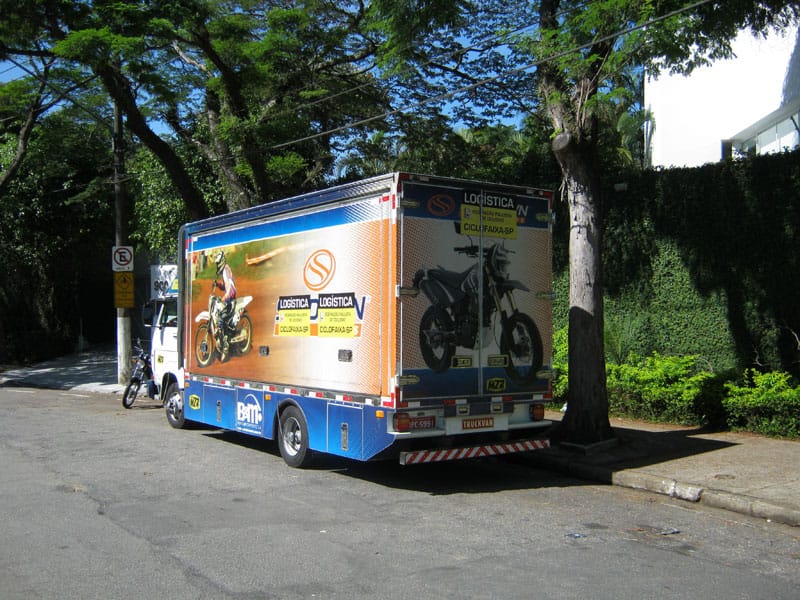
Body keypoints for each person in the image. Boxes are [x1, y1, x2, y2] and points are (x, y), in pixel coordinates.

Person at [213, 251, 237, 360]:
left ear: (222, 261)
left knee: (221, 317)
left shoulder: (226, 271)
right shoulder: (224, 270)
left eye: (218, 263)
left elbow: (231, 289)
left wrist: (224, 298)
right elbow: (225, 286)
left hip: (230, 299)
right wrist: (218, 285)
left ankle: (226, 346)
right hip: (229, 298)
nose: (217, 265)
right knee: (219, 314)